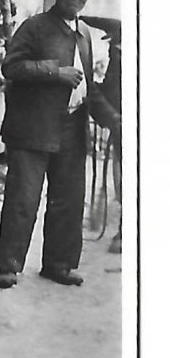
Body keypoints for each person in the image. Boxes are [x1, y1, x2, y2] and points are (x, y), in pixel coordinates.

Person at [0, 0, 118, 288]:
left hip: (71, 129)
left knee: (69, 200)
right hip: (32, 128)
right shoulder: (34, 27)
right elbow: (12, 67)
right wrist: (55, 71)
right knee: (23, 198)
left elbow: (89, 90)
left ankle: (58, 264)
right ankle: (9, 265)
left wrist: (114, 121)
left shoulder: (85, 36)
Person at [80, 15, 122, 253]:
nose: (111, 49)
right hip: (120, 121)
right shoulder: (118, 55)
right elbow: (112, 86)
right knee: (122, 170)